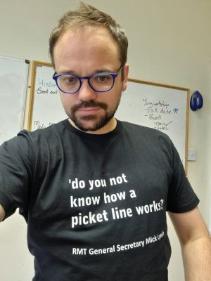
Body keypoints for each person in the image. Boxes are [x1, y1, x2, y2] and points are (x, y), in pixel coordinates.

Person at [0, 2, 211, 281]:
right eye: (70, 79)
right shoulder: (28, 152)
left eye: (101, 77)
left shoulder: (159, 145)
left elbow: (194, 235)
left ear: (124, 77)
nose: (85, 94)